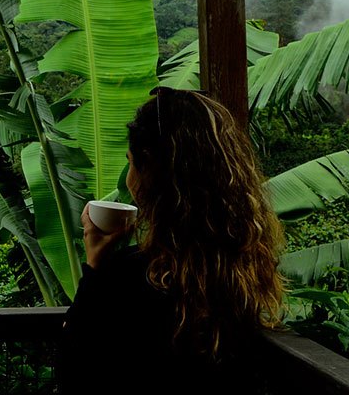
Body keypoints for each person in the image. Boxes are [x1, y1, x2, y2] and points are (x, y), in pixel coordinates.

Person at [60, 87, 285, 394]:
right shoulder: (243, 272)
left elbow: (76, 369)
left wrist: (96, 265)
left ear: (149, 166)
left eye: (131, 162)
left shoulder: (132, 277)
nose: (129, 178)